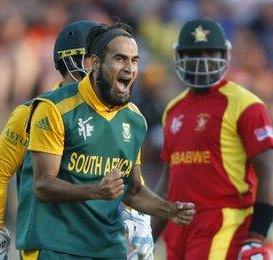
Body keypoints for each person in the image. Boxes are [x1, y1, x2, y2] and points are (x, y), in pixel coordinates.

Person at [0, 20, 156, 260]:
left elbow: (129, 175)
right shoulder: (32, 112)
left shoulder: (123, 114)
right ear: (69, 60)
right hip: (49, 243)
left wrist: (139, 219)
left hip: (97, 243)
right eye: (91, 58)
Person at [15, 22, 195, 259]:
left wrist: (168, 209)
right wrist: (96, 191)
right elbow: (43, 185)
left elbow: (133, 190)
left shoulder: (134, 119)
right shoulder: (54, 108)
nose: (129, 69)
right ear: (96, 63)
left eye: (134, 60)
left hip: (108, 248)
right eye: (120, 59)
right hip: (55, 246)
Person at [151, 18, 273, 260]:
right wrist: (147, 239)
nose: (202, 60)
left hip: (222, 223)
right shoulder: (173, 108)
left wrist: (256, 236)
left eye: (210, 52)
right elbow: (168, 182)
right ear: (178, 56)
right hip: (178, 226)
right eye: (194, 53)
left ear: (225, 55)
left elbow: (271, 172)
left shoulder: (246, 104)